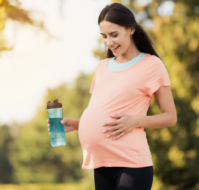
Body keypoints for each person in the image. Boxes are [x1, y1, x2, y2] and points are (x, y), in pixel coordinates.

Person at [47, 3, 177, 190]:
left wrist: (135, 121)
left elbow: (171, 117)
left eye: (114, 35)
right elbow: (103, 109)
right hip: (101, 163)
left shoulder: (151, 65)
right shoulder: (102, 67)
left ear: (131, 29)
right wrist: (77, 124)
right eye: (104, 37)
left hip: (132, 163)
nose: (108, 42)